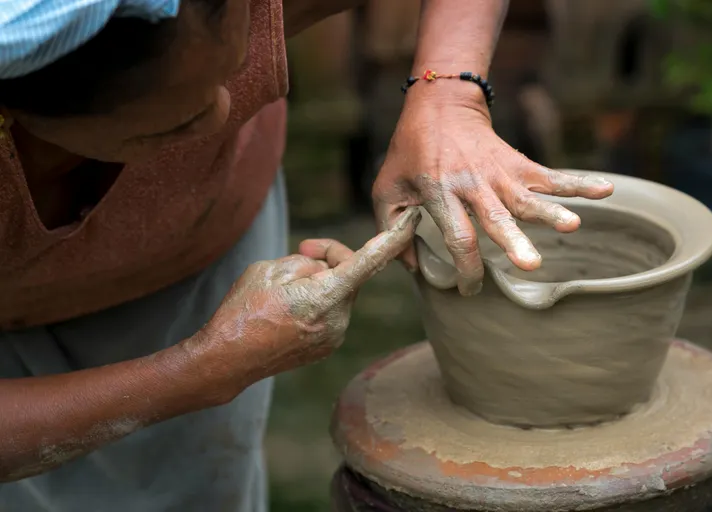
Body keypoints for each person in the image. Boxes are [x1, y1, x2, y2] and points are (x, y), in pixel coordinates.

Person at [0, 0, 614, 510]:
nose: (222, 110)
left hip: (198, 235)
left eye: (234, 71)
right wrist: (205, 369)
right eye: (166, 129)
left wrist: (449, 95)